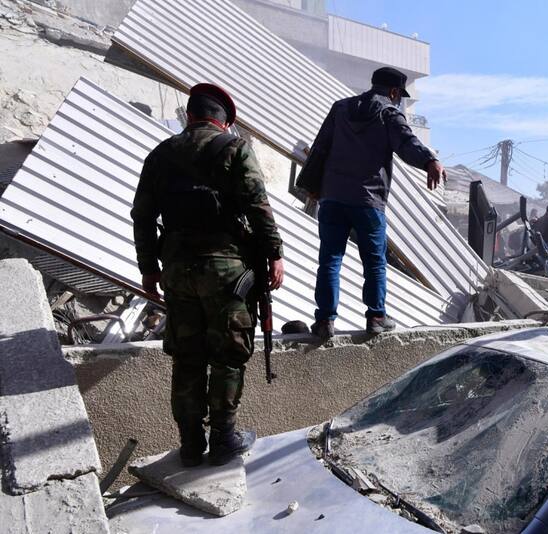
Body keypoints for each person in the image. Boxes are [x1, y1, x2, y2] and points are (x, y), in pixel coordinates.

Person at [131, 83, 285, 467]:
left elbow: (143, 217)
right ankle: (223, 438)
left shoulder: (160, 155)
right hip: (226, 271)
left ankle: (189, 444)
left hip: (178, 271)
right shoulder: (233, 149)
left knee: (186, 356)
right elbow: (257, 207)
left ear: (190, 115)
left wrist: (149, 268)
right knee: (228, 355)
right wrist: (275, 255)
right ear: (224, 121)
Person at [296, 66, 445, 338]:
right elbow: (407, 144)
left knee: (329, 259)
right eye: (399, 95)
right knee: (375, 262)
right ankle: (376, 317)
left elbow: (320, 147)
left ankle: (325, 321)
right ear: (393, 91)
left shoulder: (340, 109)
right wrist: (429, 160)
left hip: (332, 197)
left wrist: (313, 186)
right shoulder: (389, 112)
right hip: (368, 199)